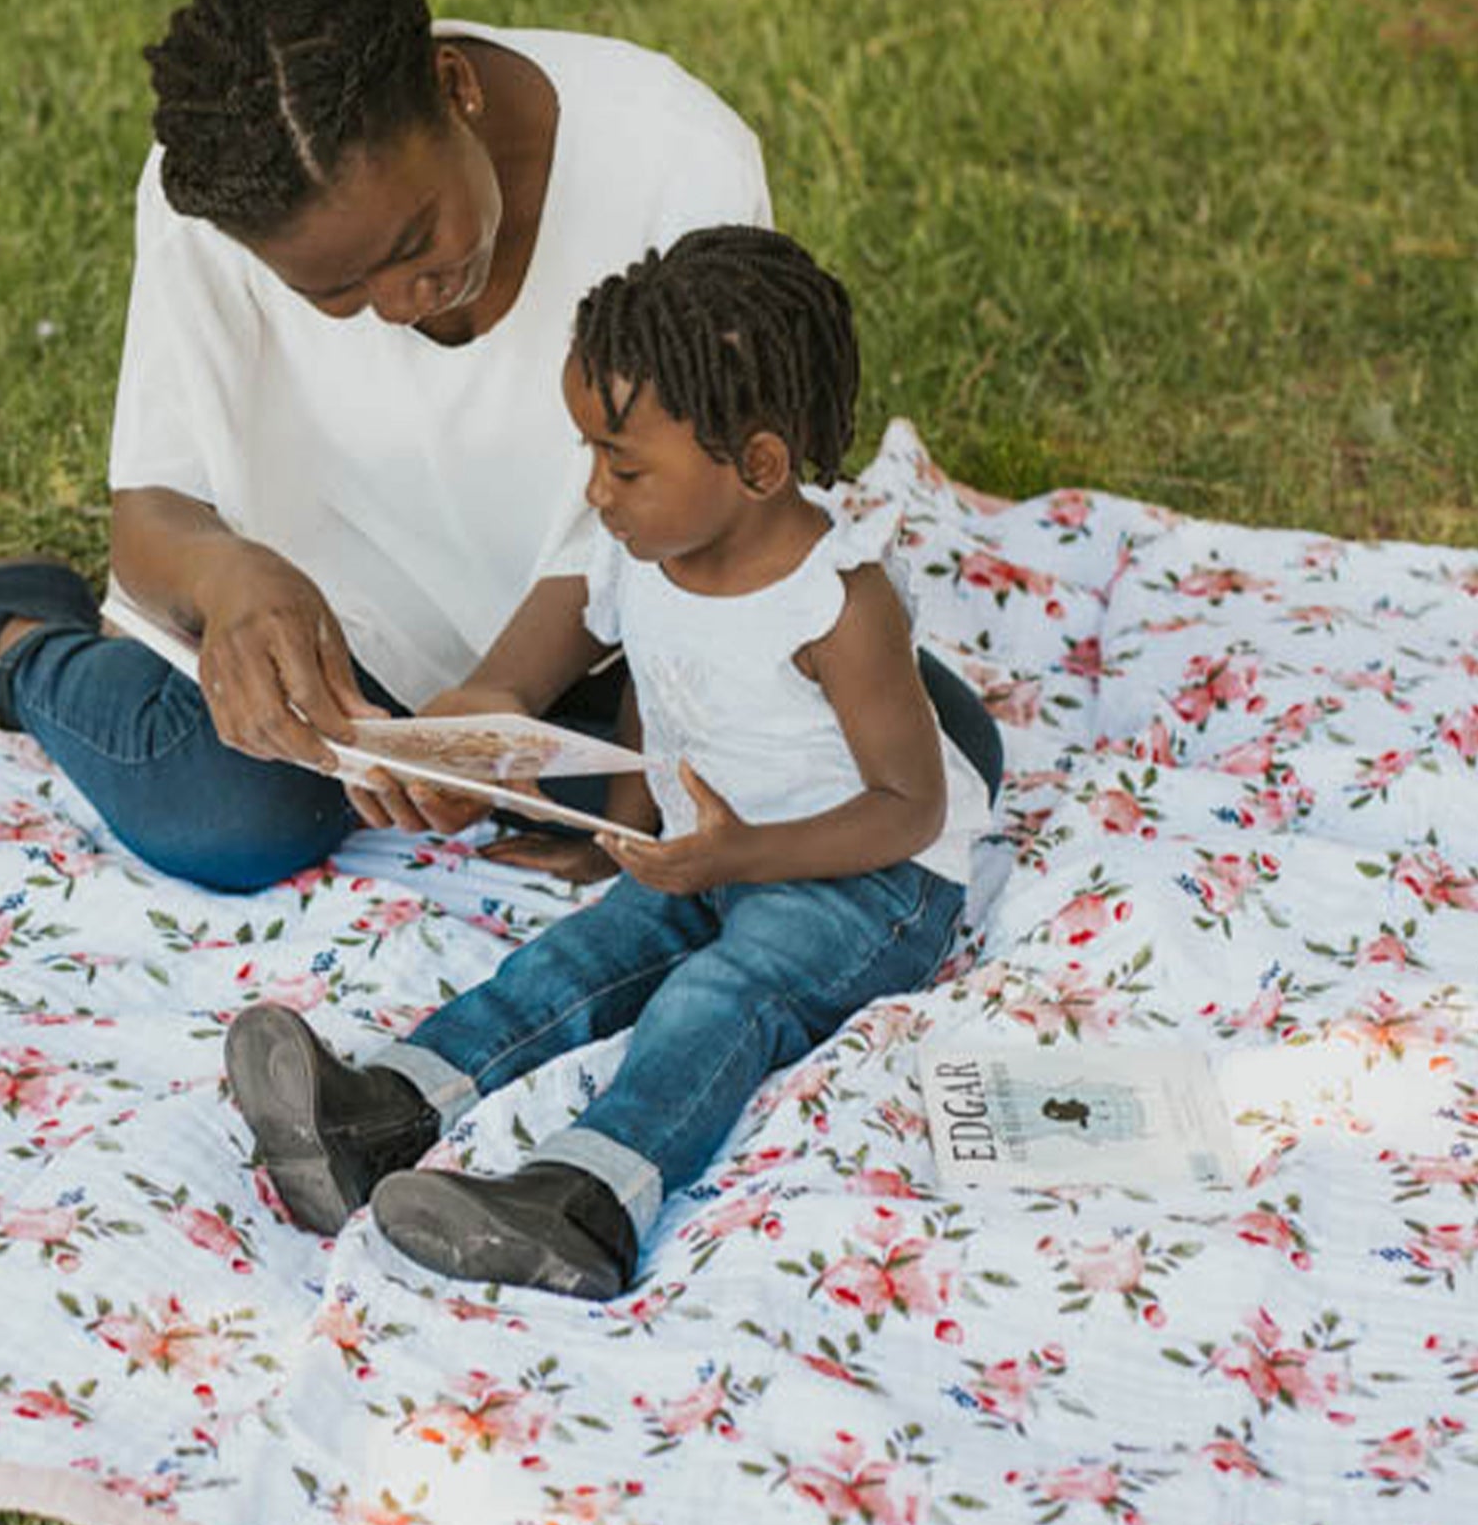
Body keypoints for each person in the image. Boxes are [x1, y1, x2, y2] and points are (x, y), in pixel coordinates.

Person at [0, 0, 998, 891]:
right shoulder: (207, 201)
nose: (403, 299)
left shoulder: (673, 150)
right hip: (345, 659)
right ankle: (6, 635)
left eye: (415, 240)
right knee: (225, 815)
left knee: (933, 750)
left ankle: (538, 753)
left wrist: (504, 698)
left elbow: (707, 491)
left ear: (455, 89)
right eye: (335, 290)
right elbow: (154, 511)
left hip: (619, 635)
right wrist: (236, 579)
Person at [225, 227, 994, 1300]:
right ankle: (379, 1111)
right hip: (709, 852)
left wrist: (744, 854)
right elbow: (655, 687)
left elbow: (909, 808)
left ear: (759, 466)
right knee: (574, 961)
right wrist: (618, 826)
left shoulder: (836, 603)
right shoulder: (640, 553)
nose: (594, 489)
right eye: (588, 451)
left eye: (621, 463)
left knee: (717, 993)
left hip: (864, 881)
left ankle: (585, 1200)